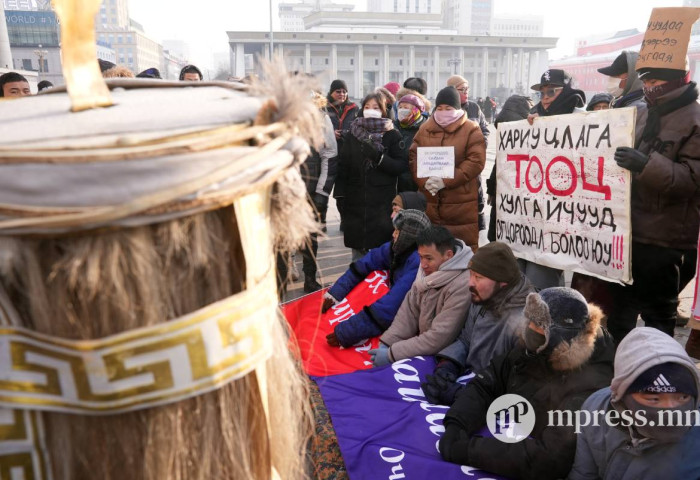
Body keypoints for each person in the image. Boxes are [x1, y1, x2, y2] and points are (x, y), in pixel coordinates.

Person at [440, 287, 615, 480]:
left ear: (563, 334)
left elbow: (549, 458)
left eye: (539, 324)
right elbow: (488, 382)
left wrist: (468, 451)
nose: (530, 328)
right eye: (530, 320)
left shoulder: (591, 384)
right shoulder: (534, 348)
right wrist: (457, 423)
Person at [606, 64, 700, 345]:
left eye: (655, 80)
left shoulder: (695, 119)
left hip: (665, 240)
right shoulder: (643, 113)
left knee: (658, 318)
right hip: (628, 235)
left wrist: (646, 165)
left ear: (674, 81)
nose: (648, 86)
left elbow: (692, 180)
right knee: (619, 315)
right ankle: (615, 373)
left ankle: (657, 378)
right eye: (645, 80)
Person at [568, 327, 700, 480]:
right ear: (623, 396)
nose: (671, 410)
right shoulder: (595, 410)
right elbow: (584, 473)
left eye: (682, 397)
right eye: (654, 399)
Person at [421, 241, 533, 405]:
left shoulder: (524, 322)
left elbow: (517, 384)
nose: (470, 283)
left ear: (503, 283)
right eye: (471, 274)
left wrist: (462, 395)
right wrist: (448, 364)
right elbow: (466, 339)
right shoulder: (483, 296)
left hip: (490, 396)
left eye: (479, 277)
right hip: (471, 379)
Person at [323, 209, 432, 348]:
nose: (393, 234)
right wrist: (336, 292)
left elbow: (393, 304)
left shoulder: (418, 263)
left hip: (415, 321)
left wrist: (350, 331)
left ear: (407, 237)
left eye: (397, 232)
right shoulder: (396, 248)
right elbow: (365, 263)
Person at [370, 226, 473, 366]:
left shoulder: (462, 283)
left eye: (428, 258)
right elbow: (407, 316)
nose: (423, 264)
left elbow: (439, 337)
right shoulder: (425, 272)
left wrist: (392, 354)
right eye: (420, 257)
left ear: (448, 255)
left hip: (445, 358)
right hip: (422, 348)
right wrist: (387, 343)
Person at [523, 69, 586, 290]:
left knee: (543, 279)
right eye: (542, 93)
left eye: (552, 92)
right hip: (535, 214)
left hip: (563, 216)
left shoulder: (582, 117)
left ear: (567, 90)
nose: (546, 98)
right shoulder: (534, 115)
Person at [410, 86, 486, 251]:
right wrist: (424, 181)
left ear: (457, 109)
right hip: (430, 201)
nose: (443, 112)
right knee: (433, 252)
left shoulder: (471, 129)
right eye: (440, 108)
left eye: (448, 108)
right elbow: (414, 157)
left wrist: (446, 181)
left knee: (461, 252)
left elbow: (476, 161)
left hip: (461, 205)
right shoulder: (425, 129)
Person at [338, 92, 407, 260]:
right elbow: (343, 165)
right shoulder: (353, 133)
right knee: (357, 251)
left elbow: (399, 166)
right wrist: (340, 194)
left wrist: (379, 157)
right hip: (356, 199)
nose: (370, 110)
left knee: (381, 251)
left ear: (383, 110)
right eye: (367, 107)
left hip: (382, 202)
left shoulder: (392, 134)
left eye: (375, 107)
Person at [299, 92, 338, 293]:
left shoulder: (322, 121)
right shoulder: (281, 118)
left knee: (309, 237)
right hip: (285, 190)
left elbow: (329, 154)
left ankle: (309, 278)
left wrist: (322, 192)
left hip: (311, 188)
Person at [486, 94, 534, 242]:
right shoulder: (506, 138)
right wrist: (492, 190)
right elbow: (498, 163)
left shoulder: (536, 140)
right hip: (503, 198)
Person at [446, 75, 490, 234]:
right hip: (452, 166)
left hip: (473, 165)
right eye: (461, 89)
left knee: (474, 198)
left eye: (467, 89)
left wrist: (479, 145)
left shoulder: (474, 107)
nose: (466, 92)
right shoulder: (444, 108)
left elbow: (484, 129)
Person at [324, 79, 359, 231]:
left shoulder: (354, 108)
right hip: (326, 155)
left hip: (347, 155)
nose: (342, 94)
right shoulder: (322, 108)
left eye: (344, 91)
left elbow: (357, 127)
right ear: (331, 92)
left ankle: (345, 220)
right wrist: (330, 134)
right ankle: (320, 221)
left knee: (342, 192)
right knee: (322, 191)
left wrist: (343, 134)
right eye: (338, 91)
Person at [394, 93, 428, 192]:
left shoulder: (425, 129)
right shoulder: (392, 127)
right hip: (396, 183)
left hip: (416, 184)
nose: (402, 110)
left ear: (416, 110)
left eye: (406, 107)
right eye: (400, 107)